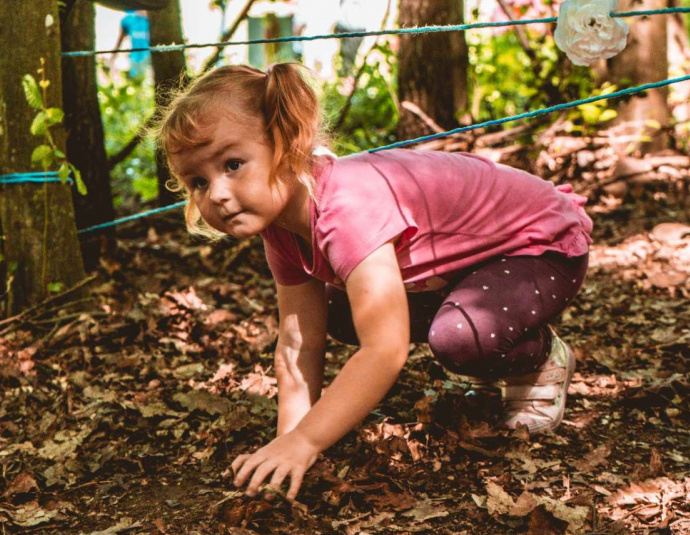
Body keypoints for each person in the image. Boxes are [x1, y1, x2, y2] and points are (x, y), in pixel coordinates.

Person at [154, 63, 593, 501]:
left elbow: (385, 349)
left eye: (233, 164)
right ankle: (486, 354)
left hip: (541, 245)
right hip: (465, 269)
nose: (217, 194)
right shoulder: (282, 228)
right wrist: (288, 444)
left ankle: (537, 359)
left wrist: (307, 440)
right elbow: (298, 342)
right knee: (339, 312)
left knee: (460, 337)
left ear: (286, 142)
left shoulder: (347, 208)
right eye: (198, 181)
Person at [110, 10, 151, 80]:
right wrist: (112, 58)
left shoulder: (153, 19)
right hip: (135, 61)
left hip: (150, 61)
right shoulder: (129, 19)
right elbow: (120, 39)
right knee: (137, 81)